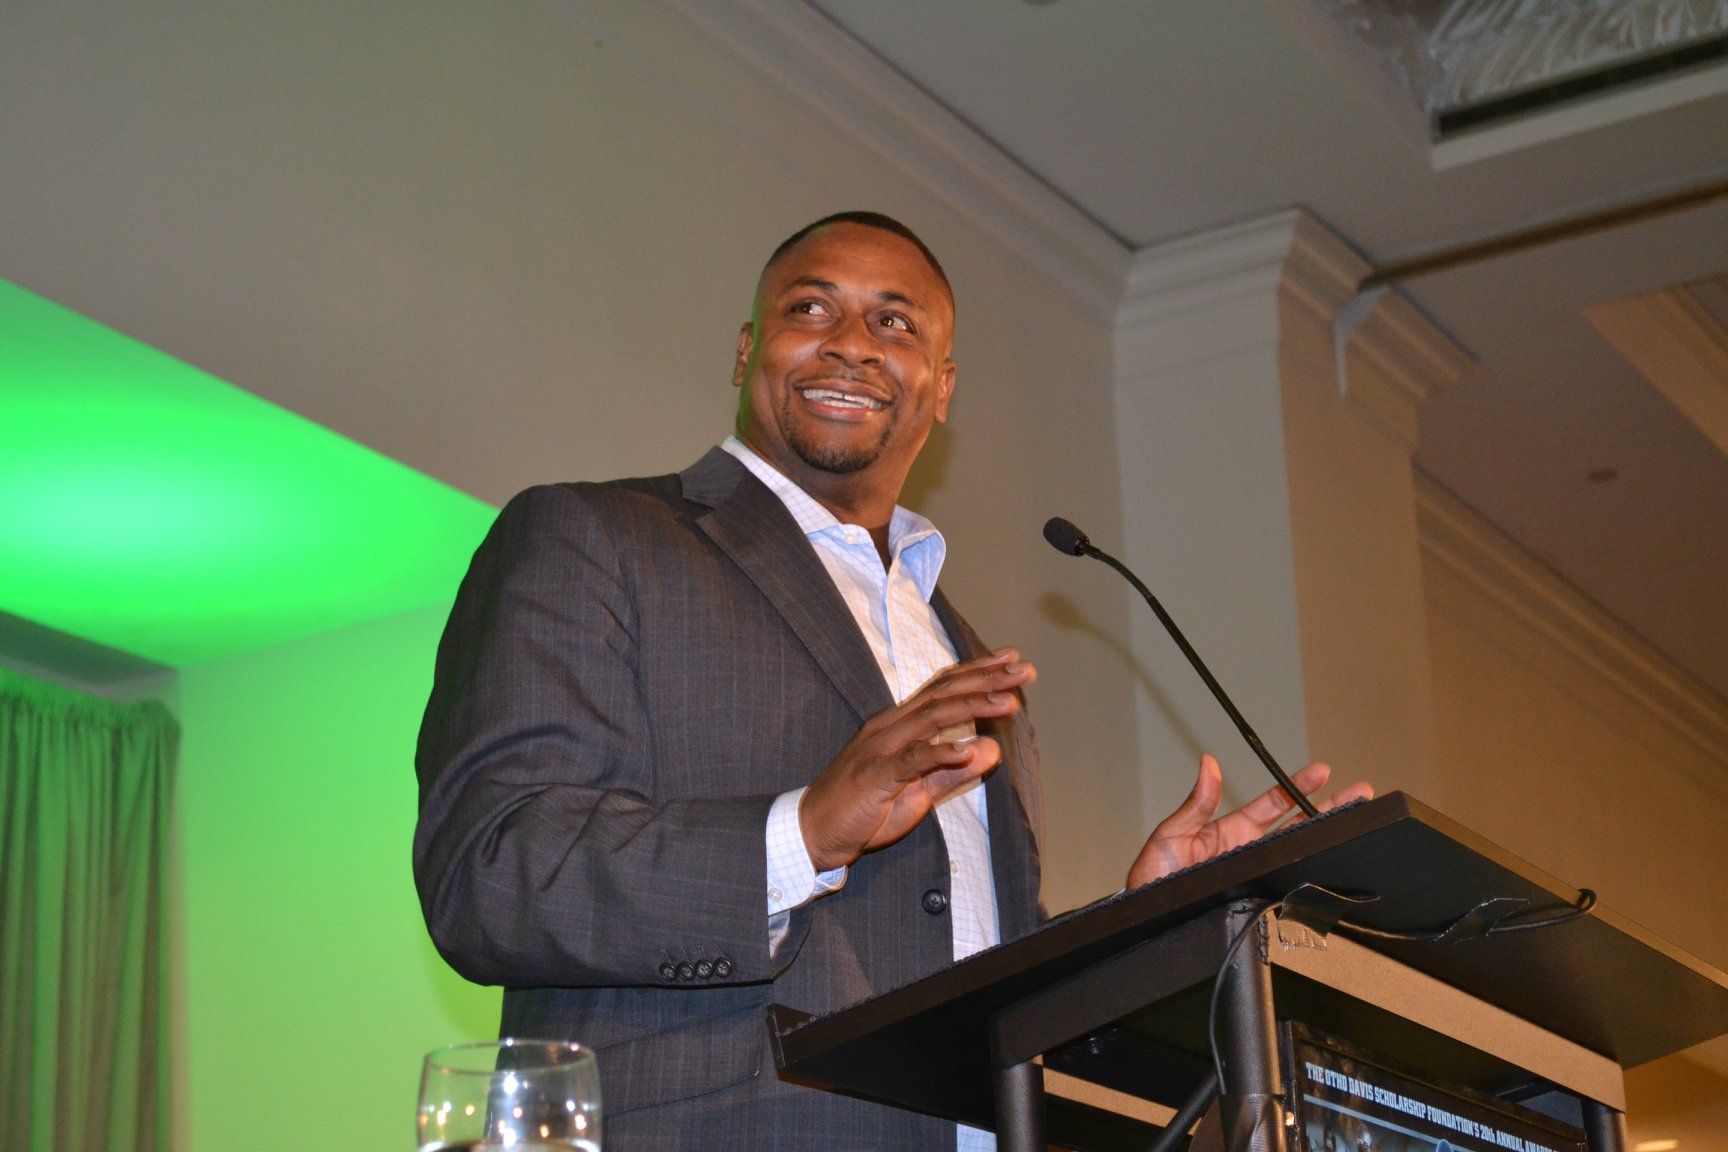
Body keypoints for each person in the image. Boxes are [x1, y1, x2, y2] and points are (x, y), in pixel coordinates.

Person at [413, 211, 1370, 1149]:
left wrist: (1144, 925)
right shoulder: (598, 540)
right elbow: (488, 873)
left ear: (941, 387)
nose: (853, 347)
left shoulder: (966, 653)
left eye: (895, 324)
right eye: (812, 310)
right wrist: (804, 830)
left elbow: (973, 967)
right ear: (747, 352)